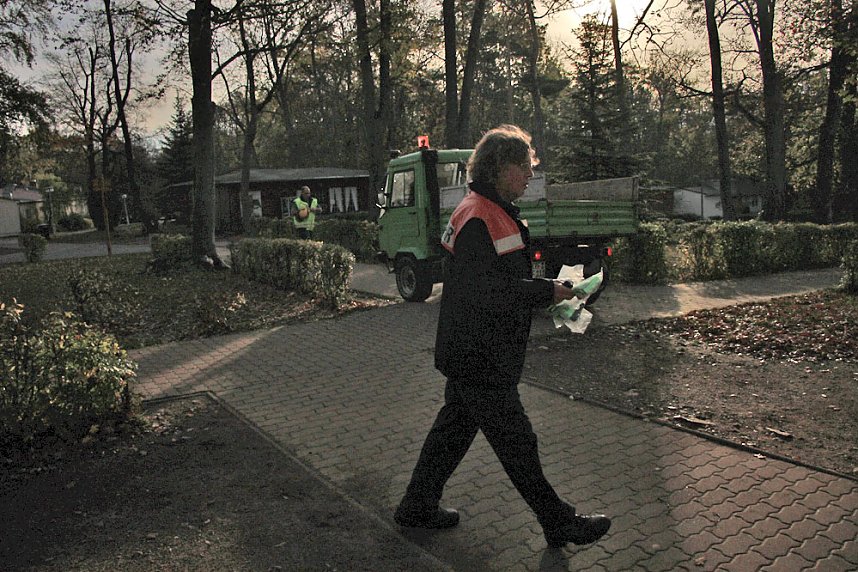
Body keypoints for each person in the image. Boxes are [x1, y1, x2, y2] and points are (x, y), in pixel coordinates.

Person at [393, 125, 611, 548]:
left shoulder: (480, 209)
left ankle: (416, 506)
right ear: (499, 168)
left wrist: (546, 290)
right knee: (517, 442)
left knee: (452, 432)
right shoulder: (481, 216)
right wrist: (546, 291)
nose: (530, 174)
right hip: (481, 355)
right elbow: (488, 290)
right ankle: (558, 521)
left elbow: (491, 281)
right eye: (524, 166)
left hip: (471, 349)